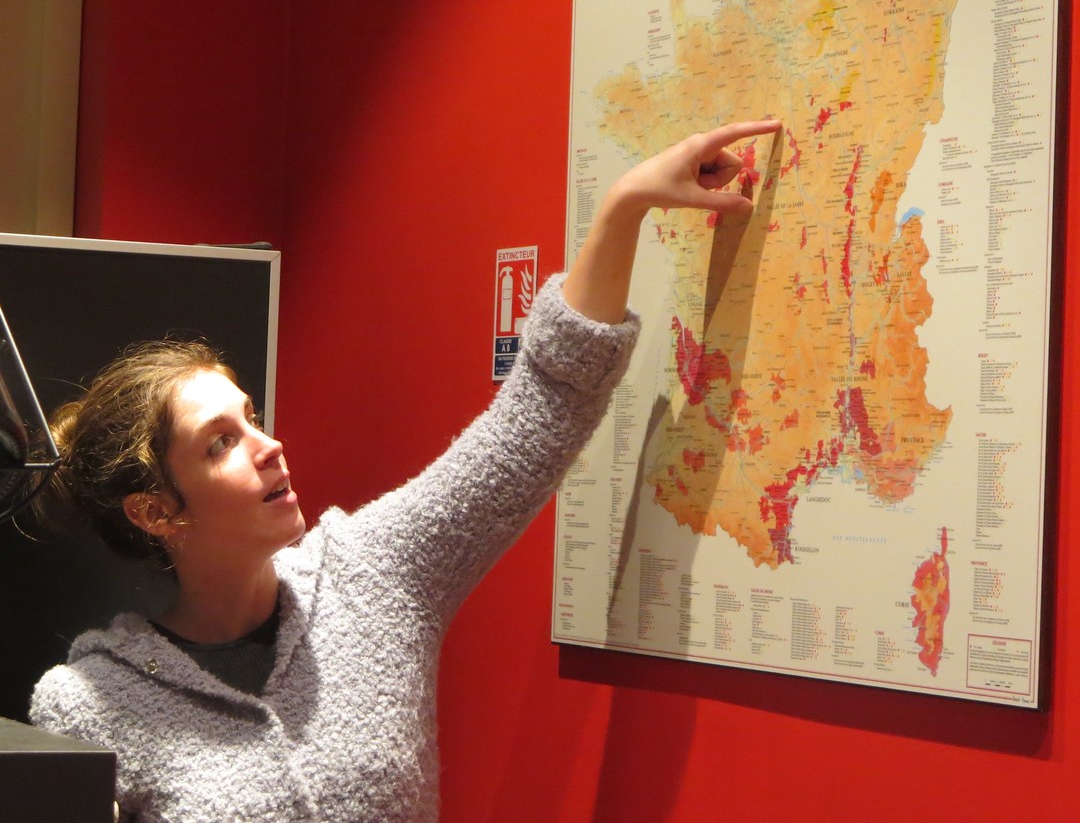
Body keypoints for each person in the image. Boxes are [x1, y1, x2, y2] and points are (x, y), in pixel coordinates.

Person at [29, 120, 781, 823]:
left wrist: (624, 207)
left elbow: (538, 417)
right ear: (156, 510)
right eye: (220, 443)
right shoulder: (91, 704)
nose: (269, 445)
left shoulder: (373, 577)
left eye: (252, 417)